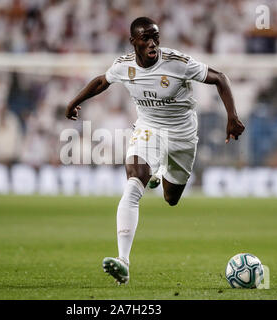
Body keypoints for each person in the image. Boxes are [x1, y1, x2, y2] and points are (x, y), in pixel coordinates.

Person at [65, 17, 245, 285]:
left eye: (156, 37)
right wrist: (74, 102)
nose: (153, 43)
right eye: (146, 38)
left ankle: (159, 171)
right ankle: (123, 262)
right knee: (133, 183)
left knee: (171, 198)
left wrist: (231, 115)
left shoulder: (177, 63)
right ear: (133, 42)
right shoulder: (124, 66)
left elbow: (220, 78)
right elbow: (102, 81)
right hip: (148, 128)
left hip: (183, 135)